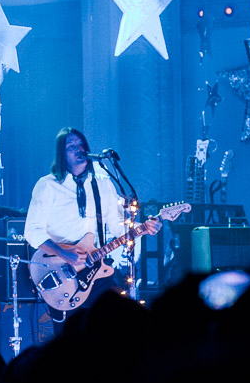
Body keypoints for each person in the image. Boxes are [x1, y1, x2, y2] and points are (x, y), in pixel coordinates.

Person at [24, 127, 161, 319]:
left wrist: (144, 228)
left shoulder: (102, 184)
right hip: (62, 271)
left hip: (95, 267)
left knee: (120, 318)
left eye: (81, 145)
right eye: (71, 146)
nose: (78, 149)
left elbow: (118, 226)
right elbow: (32, 231)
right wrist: (64, 253)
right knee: (70, 334)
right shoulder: (48, 185)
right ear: (62, 154)